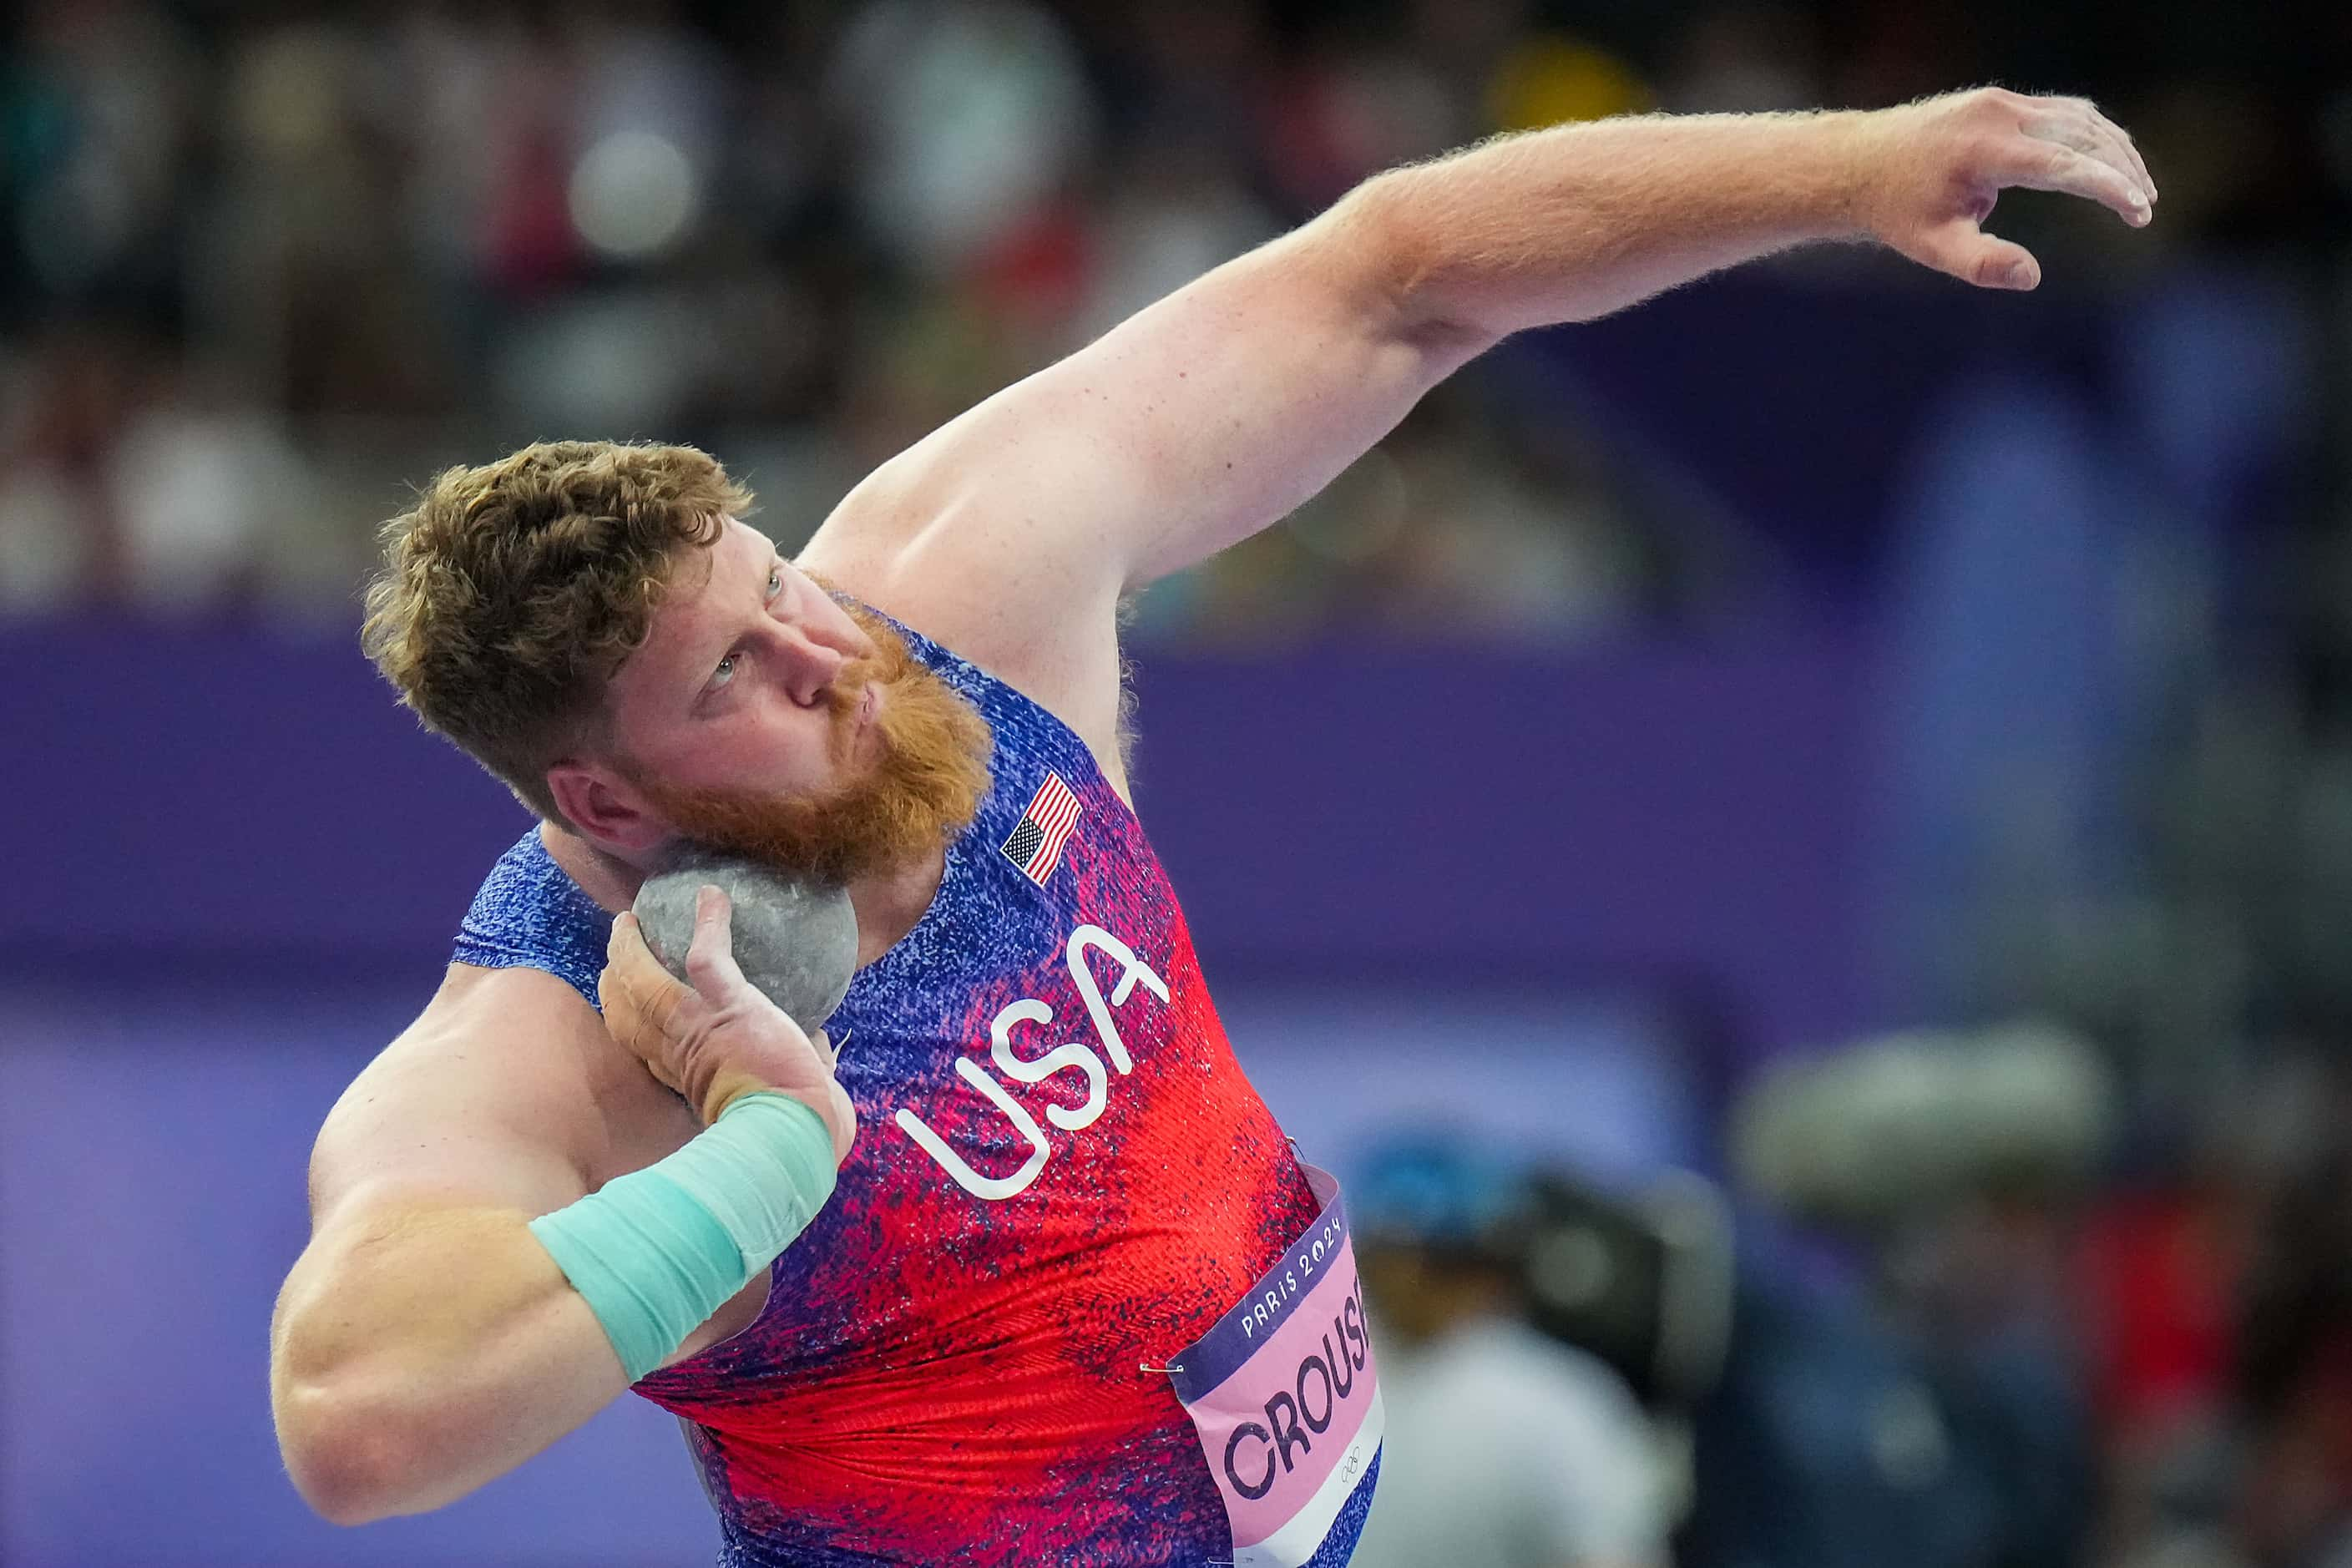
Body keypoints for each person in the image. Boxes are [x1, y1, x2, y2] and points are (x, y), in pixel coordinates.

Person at [267, 89, 2156, 1568]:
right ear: (599, 798)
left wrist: (1851, 169)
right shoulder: (562, 1048)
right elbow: (356, 1414)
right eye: (734, 682)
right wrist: (769, 1154)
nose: (826, 658)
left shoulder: (949, 605)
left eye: (780, 586)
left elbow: (1393, 273)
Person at [1347, 1136, 1672, 1568]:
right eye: (1388, 1253)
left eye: (1430, 1260)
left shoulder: (1557, 1402)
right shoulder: (1320, 1389)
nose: (1402, 1275)